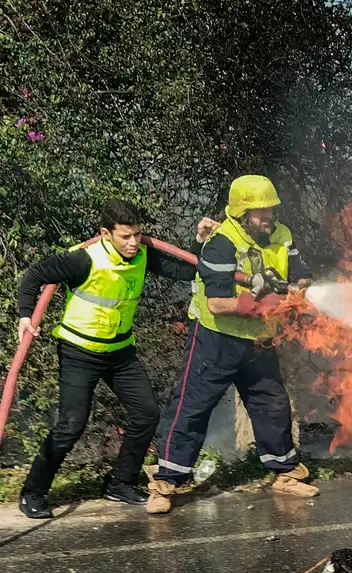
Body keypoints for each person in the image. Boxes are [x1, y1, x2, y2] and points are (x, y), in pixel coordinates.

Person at [15, 199, 208, 519]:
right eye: (125, 237)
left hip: (120, 351)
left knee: (147, 413)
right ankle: (32, 492)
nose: (133, 243)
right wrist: (25, 315)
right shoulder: (84, 260)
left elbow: (186, 268)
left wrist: (198, 242)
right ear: (106, 234)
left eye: (137, 235)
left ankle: (119, 482)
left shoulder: (144, 253)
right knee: (71, 424)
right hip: (79, 351)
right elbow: (35, 274)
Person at [147, 175, 318, 514]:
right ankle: (165, 482)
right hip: (217, 338)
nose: (267, 217)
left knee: (272, 404)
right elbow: (216, 303)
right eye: (259, 212)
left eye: (270, 209)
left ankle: (284, 472)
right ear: (242, 213)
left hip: (259, 339)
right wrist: (258, 305)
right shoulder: (222, 242)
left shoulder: (282, 236)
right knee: (192, 406)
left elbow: (302, 273)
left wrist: (297, 289)